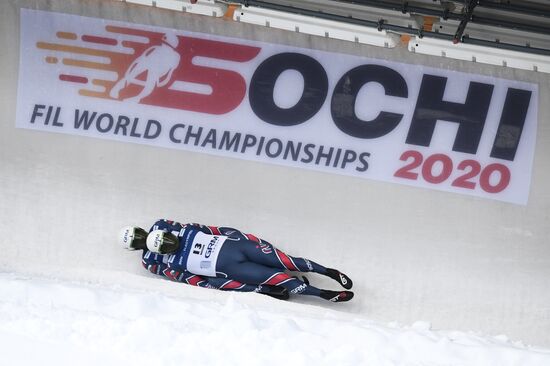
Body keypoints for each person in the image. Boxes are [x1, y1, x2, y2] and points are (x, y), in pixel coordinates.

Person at [119, 219, 354, 302]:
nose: (170, 244)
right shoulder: (153, 263)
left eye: (167, 239)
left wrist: (241, 236)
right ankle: (323, 294)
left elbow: (210, 228)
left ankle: (329, 272)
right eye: (137, 241)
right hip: (232, 268)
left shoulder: (166, 226)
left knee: (287, 262)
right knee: (281, 279)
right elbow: (194, 280)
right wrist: (253, 289)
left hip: (237, 248)